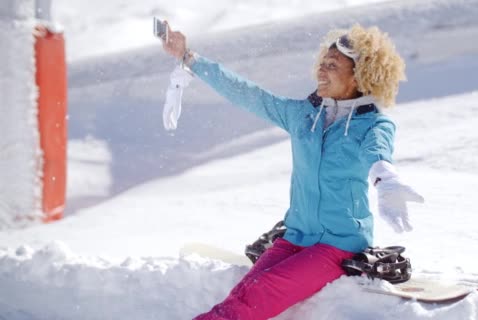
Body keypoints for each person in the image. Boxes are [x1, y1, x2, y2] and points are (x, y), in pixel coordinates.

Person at [161, 23, 424, 320]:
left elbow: (377, 151)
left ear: (360, 75)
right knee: (243, 294)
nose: (321, 70)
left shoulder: (373, 124)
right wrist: (189, 57)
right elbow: (248, 94)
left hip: (337, 245)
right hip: (295, 236)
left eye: (333, 65)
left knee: (255, 296)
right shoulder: (303, 115)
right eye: (322, 63)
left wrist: (385, 180)